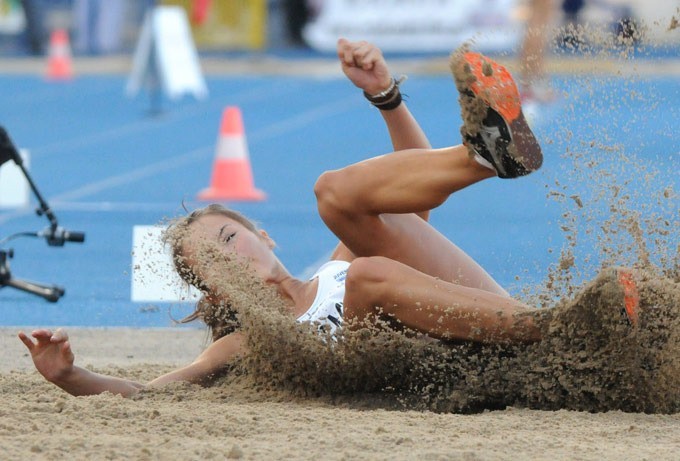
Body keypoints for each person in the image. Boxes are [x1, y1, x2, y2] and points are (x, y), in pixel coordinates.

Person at [19, 38, 559, 398]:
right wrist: (71, 375)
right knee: (368, 275)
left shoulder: (339, 263)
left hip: (490, 324)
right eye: (211, 262)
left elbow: (415, 204)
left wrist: (385, 96)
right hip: (462, 371)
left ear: (265, 235)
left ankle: (484, 158)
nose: (230, 258)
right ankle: (563, 332)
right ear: (215, 294)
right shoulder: (255, 343)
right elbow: (159, 391)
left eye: (230, 238)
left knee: (334, 194)